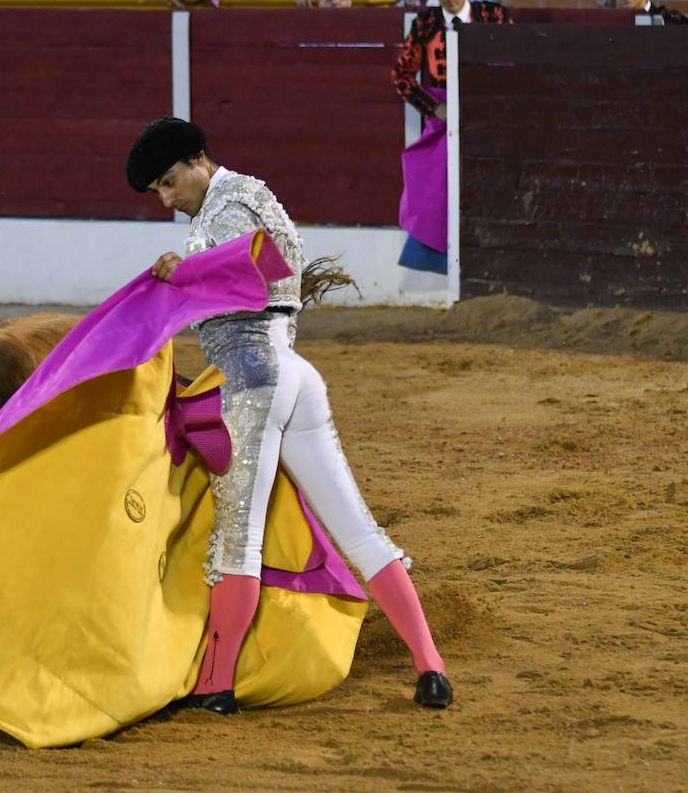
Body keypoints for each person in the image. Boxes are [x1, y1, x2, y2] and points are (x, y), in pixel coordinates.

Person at [127, 117, 453, 715]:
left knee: (238, 540)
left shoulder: (225, 208)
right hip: (298, 376)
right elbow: (283, 263)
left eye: (171, 182)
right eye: (158, 192)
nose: (168, 198)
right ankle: (430, 667)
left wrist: (186, 270)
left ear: (200, 159)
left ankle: (216, 685)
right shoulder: (255, 192)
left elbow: (255, 269)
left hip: (252, 382)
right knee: (358, 530)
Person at [390, 0, 512, 274]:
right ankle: (441, 258)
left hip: (490, 110)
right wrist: (435, 107)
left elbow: (514, 62)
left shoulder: (494, 16)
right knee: (436, 181)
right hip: (446, 115)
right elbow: (400, 75)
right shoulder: (424, 25)